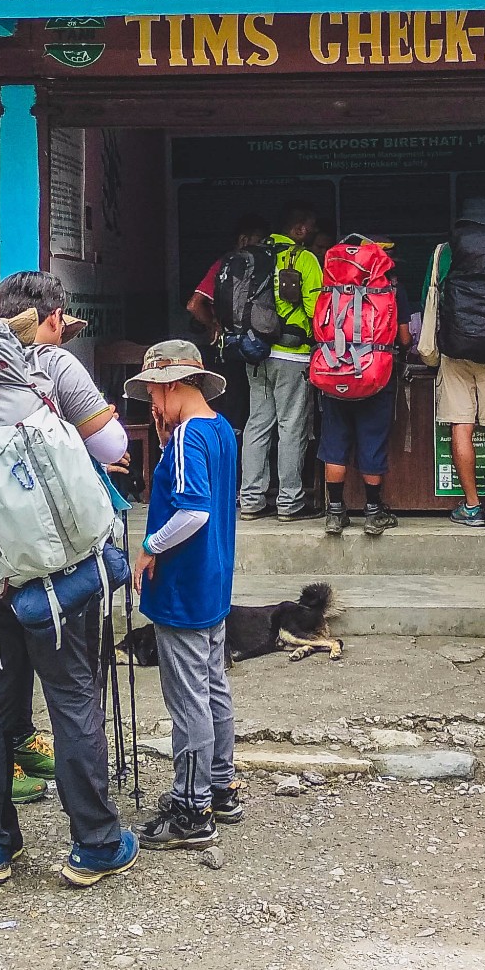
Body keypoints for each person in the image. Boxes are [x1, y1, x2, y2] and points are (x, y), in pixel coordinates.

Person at [0, 271, 138, 890]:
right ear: (52, 317)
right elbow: (111, 443)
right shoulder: (54, 367)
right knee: (73, 699)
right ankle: (95, 843)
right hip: (56, 572)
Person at [127, 340, 242, 849]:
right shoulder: (220, 429)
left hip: (181, 587)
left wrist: (150, 547)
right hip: (213, 581)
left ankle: (191, 809)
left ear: (172, 385)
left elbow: (192, 511)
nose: (152, 403)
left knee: (187, 698)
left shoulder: (186, 438)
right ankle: (220, 786)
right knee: (213, 686)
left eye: (154, 393)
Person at [423, 196, 485, 527]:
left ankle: (470, 507)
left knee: (461, 425)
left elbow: (430, 296)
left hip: (455, 349)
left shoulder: (444, 251)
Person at [238, 202, 324, 521]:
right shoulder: (304, 258)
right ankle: (290, 502)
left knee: (257, 424)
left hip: (255, 353)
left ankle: (251, 500)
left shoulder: (254, 256)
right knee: (291, 427)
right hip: (292, 354)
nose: (313, 233)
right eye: (311, 227)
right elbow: (316, 310)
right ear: (299, 229)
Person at [186, 215, 266, 434]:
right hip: (233, 349)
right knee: (235, 406)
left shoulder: (246, 265)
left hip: (239, 346)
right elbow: (194, 305)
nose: (264, 247)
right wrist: (214, 325)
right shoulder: (226, 265)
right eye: (259, 241)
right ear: (243, 240)